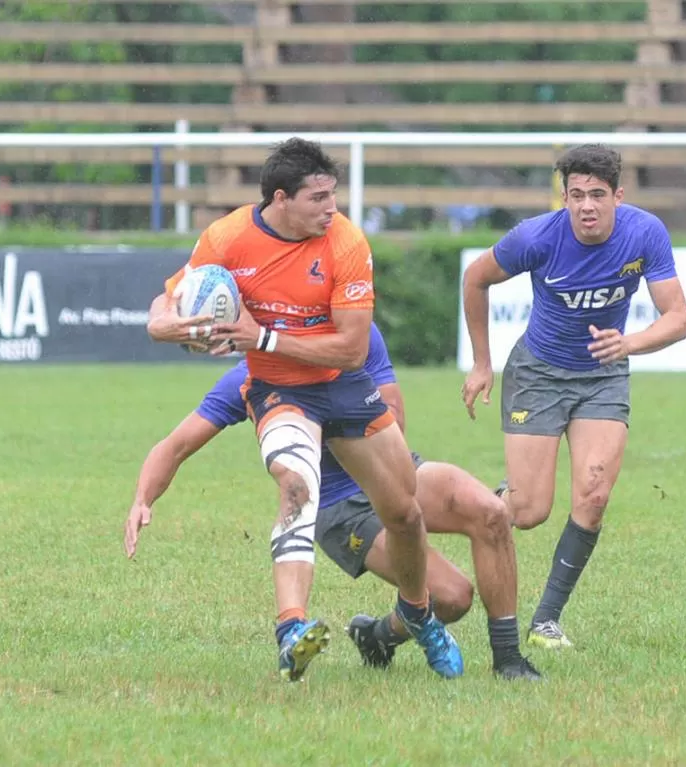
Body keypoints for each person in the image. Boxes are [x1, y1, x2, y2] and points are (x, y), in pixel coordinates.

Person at [147, 137, 461, 682]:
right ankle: (291, 627)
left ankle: (417, 612)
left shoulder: (346, 243)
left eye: (332, 195)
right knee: (297, 486)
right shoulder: (228, 237)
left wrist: (262, 337)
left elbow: (352, 349)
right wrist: (159, 322)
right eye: (318, 198)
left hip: (343, 384)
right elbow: (174, 296)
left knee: (406, 513)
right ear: (280, 199)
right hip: (279, 393)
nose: (331, 208)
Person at [124, 323, 541, 681]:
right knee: (452, 598)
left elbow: (394, 420)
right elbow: (176, 445)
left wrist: (340, 406)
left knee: (491, 512)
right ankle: (380, 633)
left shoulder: (357, 339)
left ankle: (505, 660)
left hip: (392, 474)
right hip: (341, 508)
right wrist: (143, 497)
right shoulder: (248, 380)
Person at [460, 144, 686, 650]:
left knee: (594, 494)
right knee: (527, 511)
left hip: (604, 374)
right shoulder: (537, 237)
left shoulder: (645, 233)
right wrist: (482, 362)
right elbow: (475, 278)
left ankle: (545, 621)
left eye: (598, 195)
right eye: (576, 195)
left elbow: (678, 318)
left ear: (618, 196)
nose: (587, 206)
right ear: (563, 197)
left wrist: (627, 343)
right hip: (538, 374)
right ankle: (477, 507)